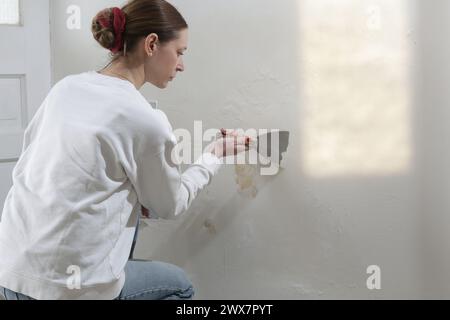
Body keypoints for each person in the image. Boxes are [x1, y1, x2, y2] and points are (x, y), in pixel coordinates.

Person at [0, 0, 249, 300]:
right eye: (180, 52)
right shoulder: (144, 118)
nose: (181, 65)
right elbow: (171, 205)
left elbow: (42, 168)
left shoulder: (65, 89)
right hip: (67, 290)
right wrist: (215, 154)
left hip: (10, 273)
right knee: (180, 286)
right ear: (152, 44)